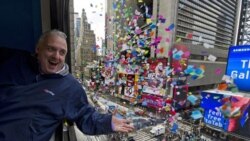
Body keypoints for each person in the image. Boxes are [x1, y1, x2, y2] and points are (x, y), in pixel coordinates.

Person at [0, 29, 134, 141]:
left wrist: (108, 122)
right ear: (38, 49)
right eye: (51, 49)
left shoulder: (70, 87)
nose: (56, 56)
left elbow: (85, 116)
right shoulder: (15, 61)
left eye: (62, 52)